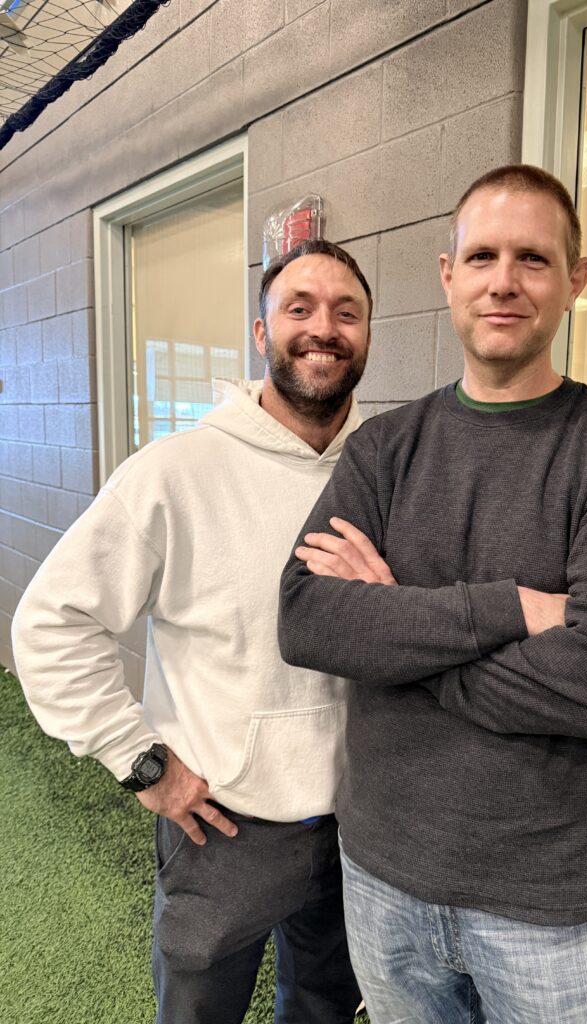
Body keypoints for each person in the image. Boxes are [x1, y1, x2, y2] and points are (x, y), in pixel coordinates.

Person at [278, 166, 587, 1024]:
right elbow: (308, 619)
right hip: (382, 876)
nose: (504, 281)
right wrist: (513, 609)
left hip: (553, 904)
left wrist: (396, 627)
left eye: (533, 259)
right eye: (482, 257)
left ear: (575, 280)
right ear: (448, 276)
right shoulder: (383, 450)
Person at [12, 238, 372, 1024]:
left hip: (361, 824)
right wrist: (141, 762)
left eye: (346, 312)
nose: (324, 327)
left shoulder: (382, 471)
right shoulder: (175, 471)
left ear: (367, 335)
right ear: (261, 332)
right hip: (221, 826)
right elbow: (50, 623)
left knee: (324, 1007)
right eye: (300, 308)